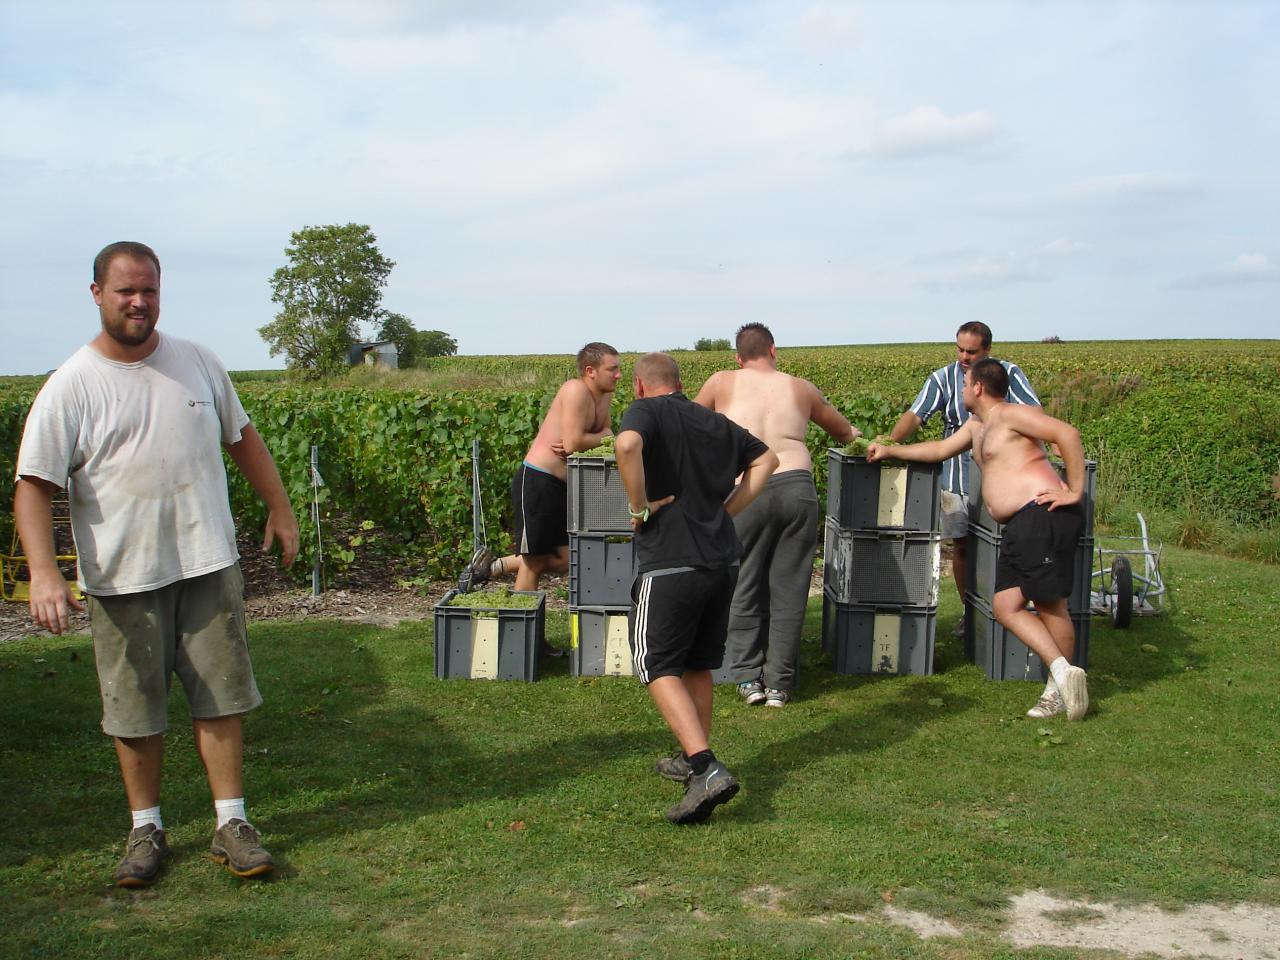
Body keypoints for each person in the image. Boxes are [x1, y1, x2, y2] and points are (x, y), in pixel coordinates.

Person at [14, 242, 300, 888]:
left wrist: (278, 508)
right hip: (122, 577)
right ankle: (146, 829)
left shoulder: (196, 362)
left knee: (220, 699)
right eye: (125, 292)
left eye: (149, 290)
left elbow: (242, 438)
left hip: (206, 563)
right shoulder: (72, 386)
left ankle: (232, 824)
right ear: (96, 295)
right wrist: (45, 571)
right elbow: (33, 486)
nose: (139, 302)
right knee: (134, 711)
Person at [868, 358, 1089, 721]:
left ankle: (1058, 689)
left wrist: (1075, 491)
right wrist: (891, 450)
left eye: (965, 382)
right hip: (1021, 523)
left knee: (1050, 606)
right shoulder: (977, 425)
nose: (961, 387)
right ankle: (1064, 673)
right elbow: (939, 449)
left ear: (979, 388)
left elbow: (1067, 434)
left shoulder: (1010, 415)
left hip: (1042, 515)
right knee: (1004, 606)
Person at [615, 353, 777, 823]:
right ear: (681, 383)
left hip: (670, 562)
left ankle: (705, 768)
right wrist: (730, 510)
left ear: (640, 386)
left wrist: (640, 507)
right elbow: (768, 459)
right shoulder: (714, 420)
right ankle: (692, 759)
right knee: (698, 663)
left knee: (656, 662)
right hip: (721, 561)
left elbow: (627, 446)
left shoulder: (645, 412)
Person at [694, 323, 858, 708]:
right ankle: (780, 684)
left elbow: (688, 424)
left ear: (738, 357)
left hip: (747, 488)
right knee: (789, 589)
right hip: (796, 488)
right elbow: (845, 433)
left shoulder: (721, 382)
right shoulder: (801, 388)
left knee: (744, 584)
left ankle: (749, 678)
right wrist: (870, 442)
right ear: (773, 350)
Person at [890, 321, 1040, 632]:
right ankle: (968, 612)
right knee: (962, 546)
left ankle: (1008, 613)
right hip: (956, 479)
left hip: (1002, 479)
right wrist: (890, 443)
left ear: (987, 350)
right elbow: (915, 416)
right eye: (959, 349)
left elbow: (1035, 413)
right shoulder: (943, 378)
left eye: (971, 351)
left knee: (1004, 545)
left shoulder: (1008, 374)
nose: (963, 356)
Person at [458, 343, 622, 611]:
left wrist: (595, 437)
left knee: (568, 557)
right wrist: (598, 437)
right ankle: (524, 631)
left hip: (563, 487)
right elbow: (573, 442)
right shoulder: (575, 390)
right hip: (538, 482)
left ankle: (494, 566)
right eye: (612, 369)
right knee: (533, 562)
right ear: (590, 371)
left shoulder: (604, 396)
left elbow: (598, 435)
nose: (618, 375)